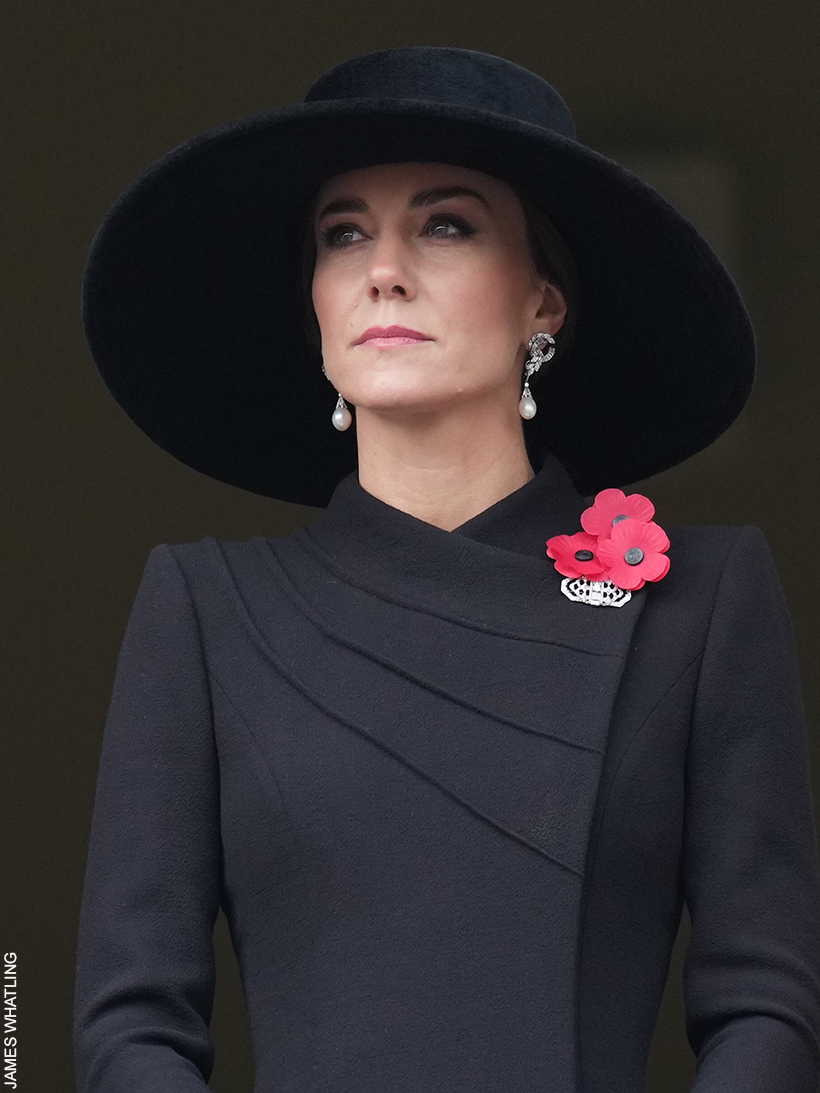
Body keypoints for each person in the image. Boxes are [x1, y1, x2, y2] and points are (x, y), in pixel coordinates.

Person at [73, 46, 820, 1092]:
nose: (383, 267)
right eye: (343, 234)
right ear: (318, 310)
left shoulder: (701, 599)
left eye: (446, 223)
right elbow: (127, 1024)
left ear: (542, 302)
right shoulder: (203, 610)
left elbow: (768, 1005)